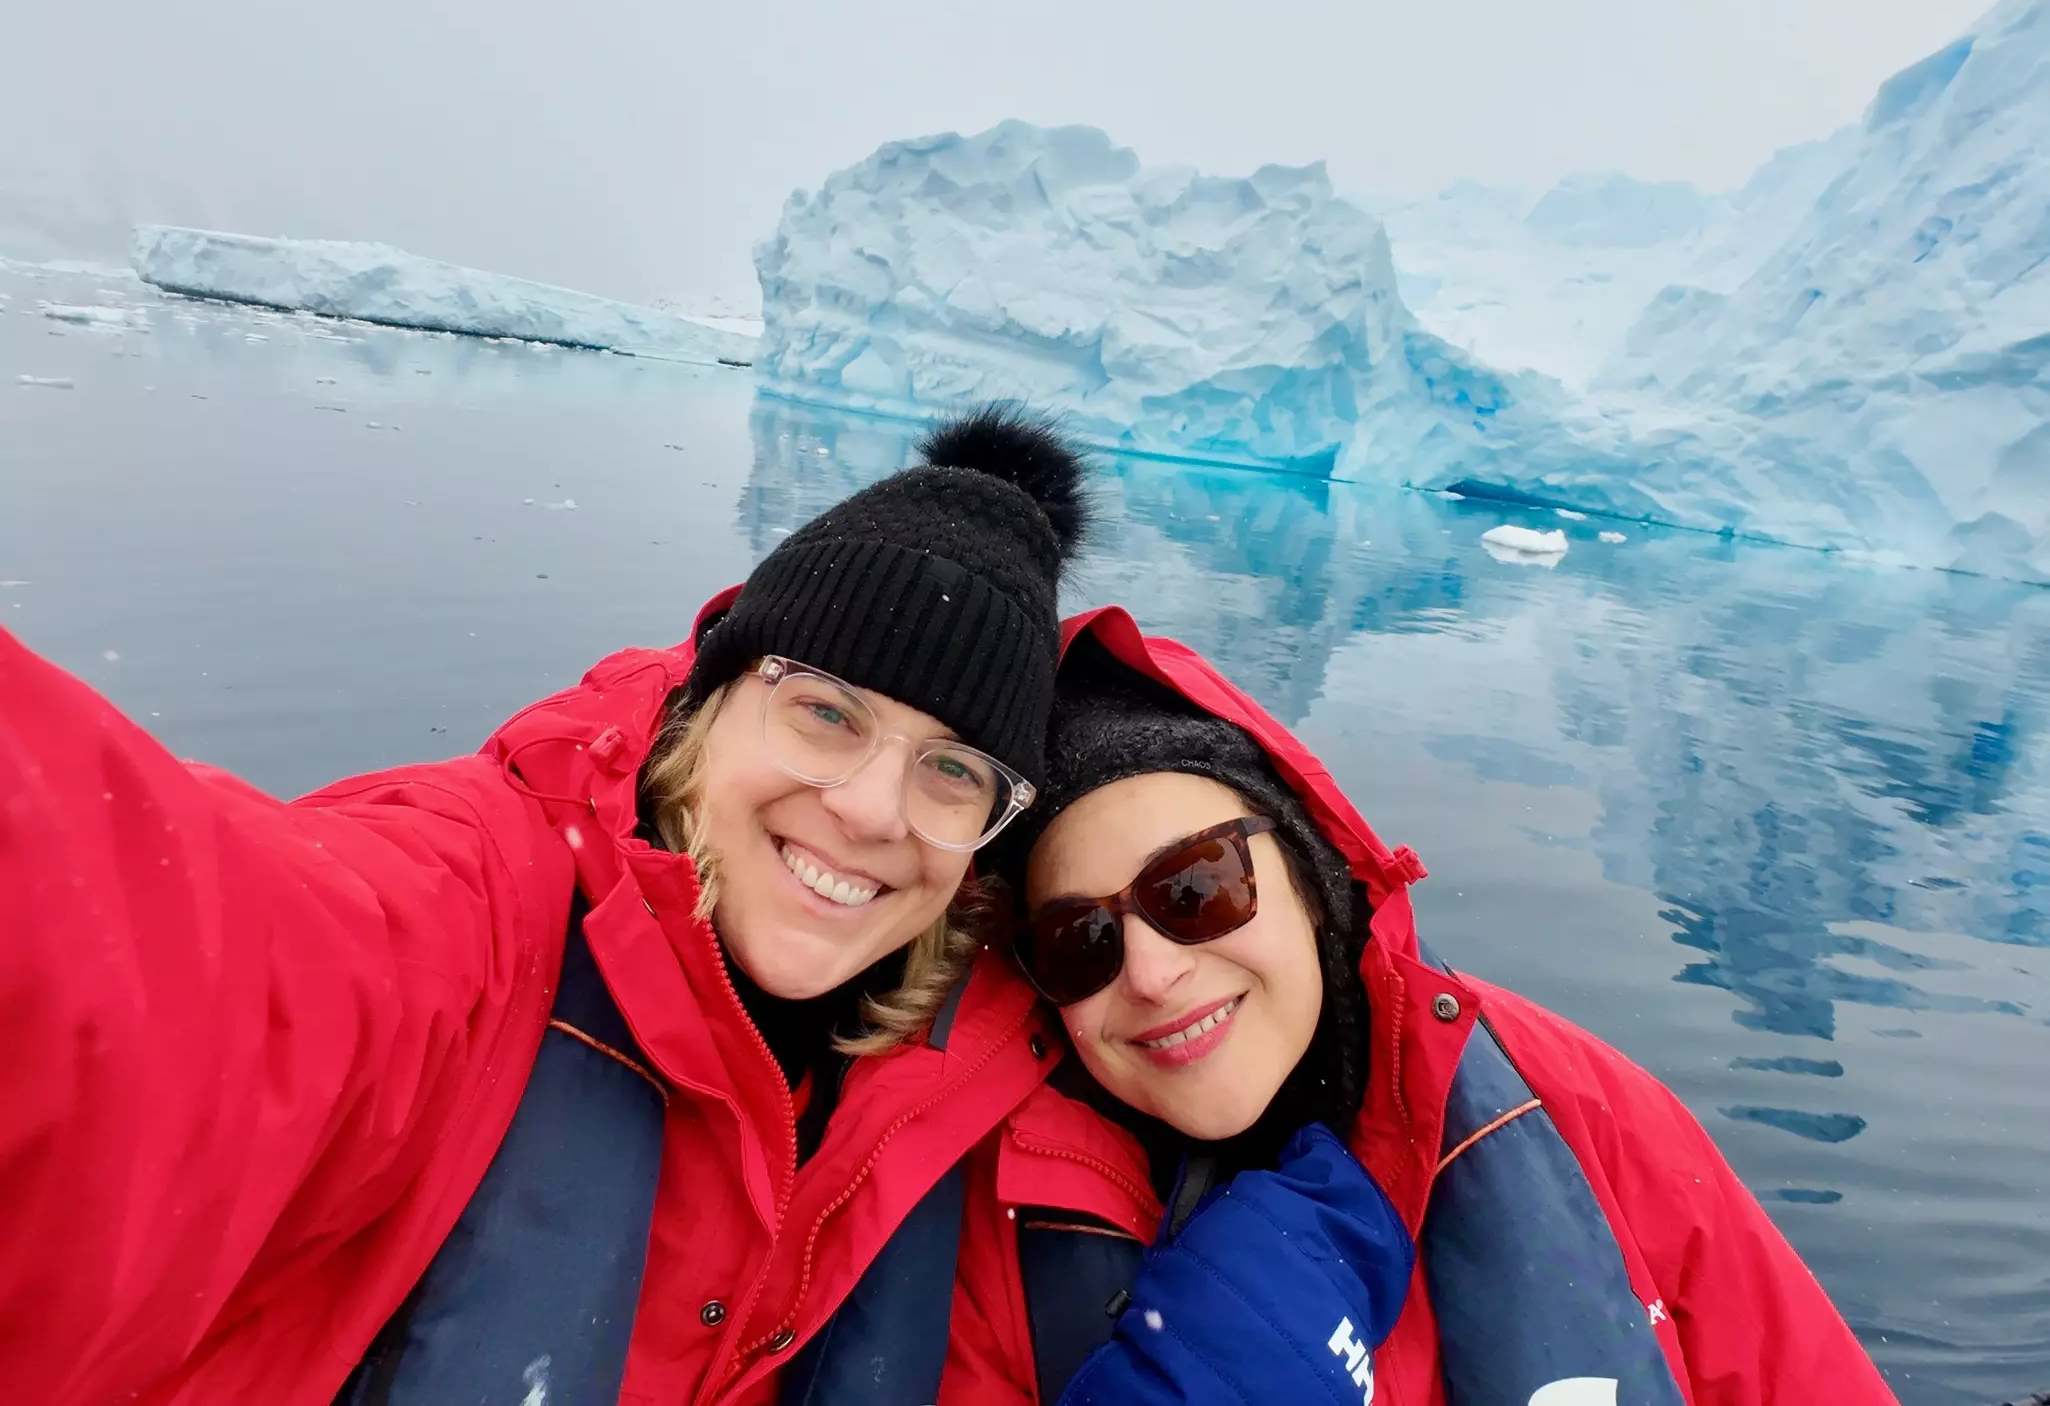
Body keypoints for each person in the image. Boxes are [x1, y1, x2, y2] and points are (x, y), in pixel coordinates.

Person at [0, 405, 1094, 1406]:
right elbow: (172, 970)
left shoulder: (971, 1072)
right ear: (706, 703)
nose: (867, 808)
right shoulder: (477, 903)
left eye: (954, 771)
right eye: (823, 711)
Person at [950, 605, 1900, 1406]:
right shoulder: (980, 1227)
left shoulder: (1579, 1113)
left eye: (1196, 887)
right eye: (1080, 943)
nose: (1151, 974)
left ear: (1311, 877)